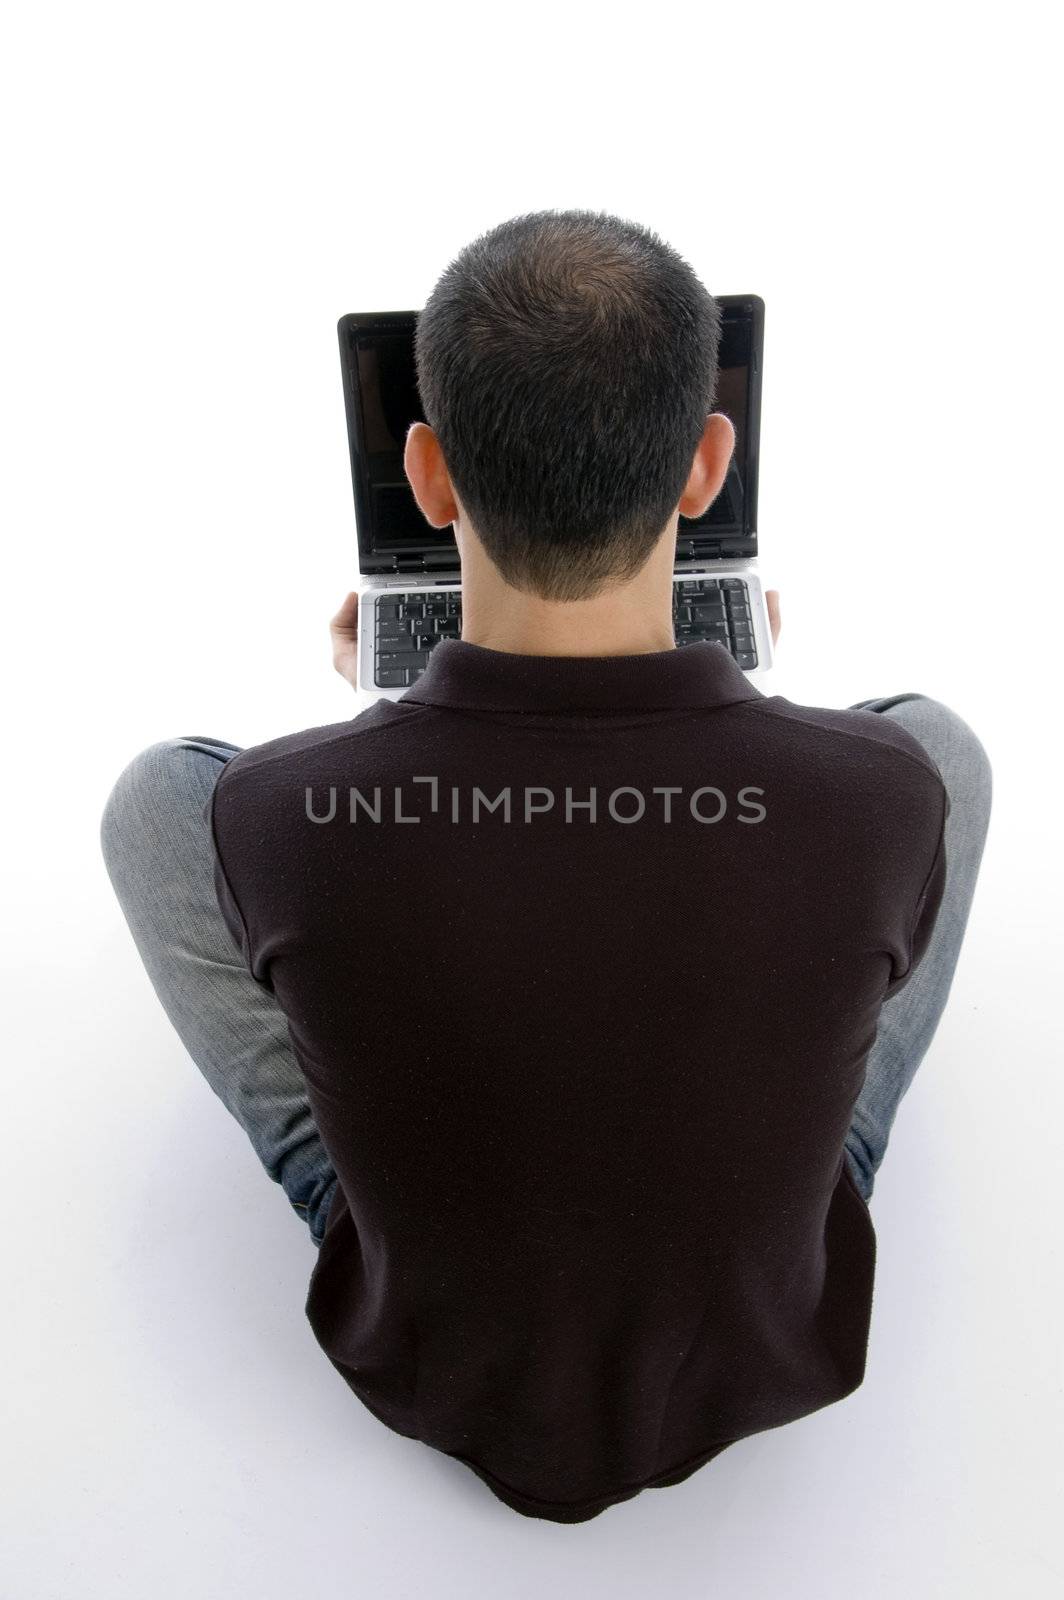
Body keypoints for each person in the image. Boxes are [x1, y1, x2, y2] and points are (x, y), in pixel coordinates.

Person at [100, 208, 992, 1525]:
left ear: (428, 477)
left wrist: (387, 722)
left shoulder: (281, 811)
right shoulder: (878, 796)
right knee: (943, 753)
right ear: (704, 467)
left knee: (157, 801)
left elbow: (339, 833)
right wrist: (749, 717)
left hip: (426, 1342)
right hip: (771, 1331)